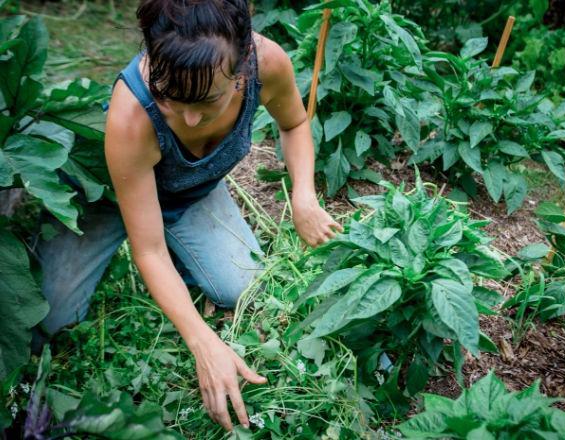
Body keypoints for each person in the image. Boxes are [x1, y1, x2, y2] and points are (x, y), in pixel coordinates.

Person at [32, 0, 342, 432]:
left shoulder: (268, 62)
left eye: (208, 100)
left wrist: (303, 195)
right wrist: (204, 344)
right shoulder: (131, 116)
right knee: (51, 318)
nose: (191, 117)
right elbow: (150, 250)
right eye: (171, 99)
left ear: (244, 69)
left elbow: (293, 124)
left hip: (189, 194)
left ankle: (189, 258)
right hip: (105, 197)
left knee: (242, 287)